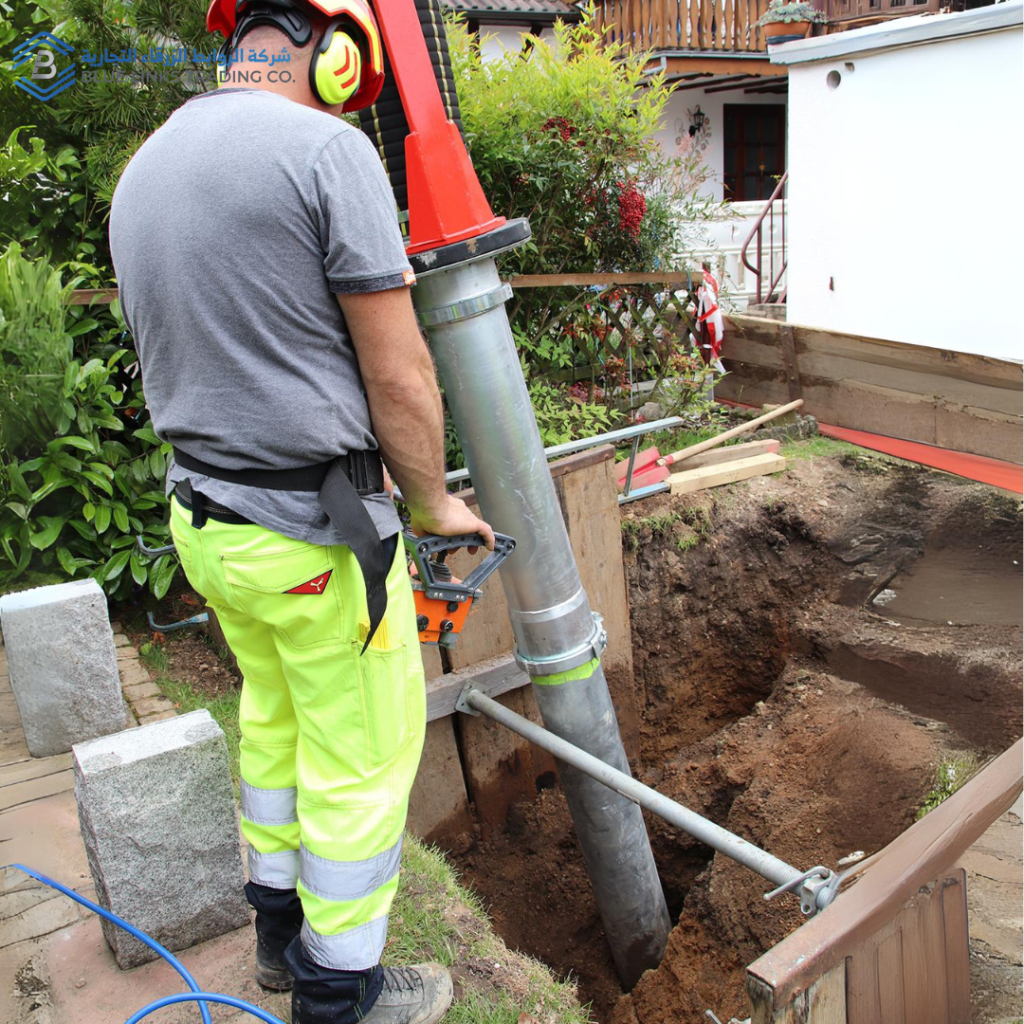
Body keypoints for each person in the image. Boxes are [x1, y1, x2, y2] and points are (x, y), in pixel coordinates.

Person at [109, 0, 493, 1021]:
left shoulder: (143, 169)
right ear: (330, 49)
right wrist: (431, 500)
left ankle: (278, 939)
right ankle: (339, 995)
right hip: (311, 537)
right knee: (360, 761)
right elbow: (399, 372)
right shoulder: (327, 153)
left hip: (209, 525)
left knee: (275, 721)